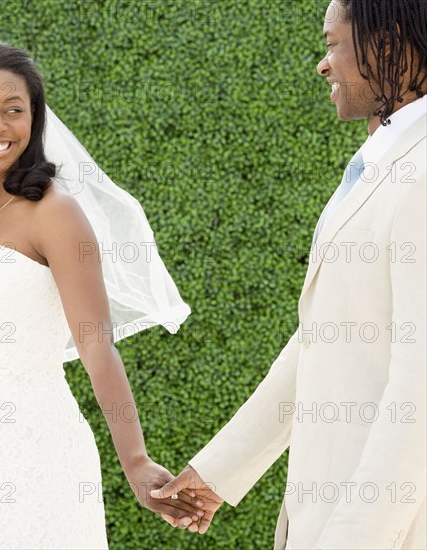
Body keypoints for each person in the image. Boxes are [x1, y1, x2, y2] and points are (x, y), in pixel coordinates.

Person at [0, 42, 204, 548]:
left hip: (35, 449)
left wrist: (136, 462)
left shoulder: (56, 213)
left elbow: (97, 345)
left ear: (35, 117)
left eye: (14, 110)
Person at [151, 1, 427, 548]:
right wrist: (219, 471)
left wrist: (357, 538)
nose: (323, 65)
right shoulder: (386, 162)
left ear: (388, 45)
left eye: (332, 43)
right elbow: (322, 337)